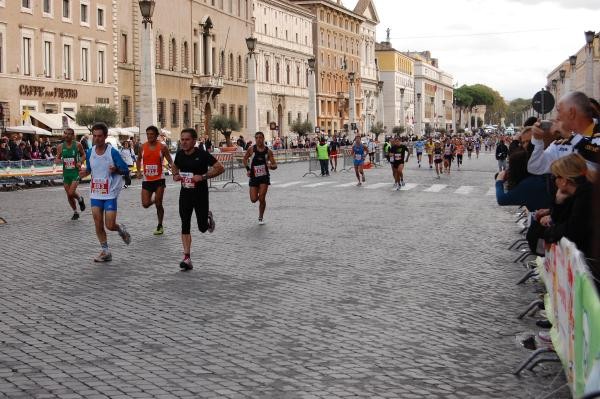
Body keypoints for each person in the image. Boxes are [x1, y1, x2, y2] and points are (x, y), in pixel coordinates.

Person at [172, 128, 224, 270]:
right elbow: (175, 166)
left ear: (194, 141)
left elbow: (220, 168)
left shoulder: (202, 154)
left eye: (187, 139)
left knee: (202, 228)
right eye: (182, 139)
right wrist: (175, 175)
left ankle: (208, 217)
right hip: (185, 194)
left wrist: (203, 177)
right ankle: (187, 258)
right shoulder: (180, 154)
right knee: (185, 224)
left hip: (200, 195)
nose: (184, 142)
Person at [79, 123, 131, 262]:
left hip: (110, 193)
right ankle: (105, 251)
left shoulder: (112, 152)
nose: (97, 139)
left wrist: (116, 169)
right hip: (96, 192)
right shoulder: (90, 152)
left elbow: (125, 170)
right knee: (98, 223)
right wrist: (84, 173)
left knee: (110, 225)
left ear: (105, 136)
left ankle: (120, 228)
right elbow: (90, 169)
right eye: (94, 136)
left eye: (100, 136)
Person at [535, 154, 594, 257]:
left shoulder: (586, 196)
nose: (553, 181)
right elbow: (559, 221)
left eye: (554, 177)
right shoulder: (578, 193)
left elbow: (572, 230)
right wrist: (558, 202)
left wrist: (549, 232)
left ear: (564, 180)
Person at [528, 92, 599, 176]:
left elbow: (595, 155)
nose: (557, 117)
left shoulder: (594, 135)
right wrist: (537, 140)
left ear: (571, 113)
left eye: (559, 111)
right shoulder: (561, 142)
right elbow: (535, 167)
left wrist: (570, 136)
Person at [136, 125, 174, 235]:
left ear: (156, 135)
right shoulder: (142, 147)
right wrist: (138, 171)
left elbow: (170, 160)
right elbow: (138, 160)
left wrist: (174, 170)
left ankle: (160, 225)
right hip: (147, 180)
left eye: (151, 134)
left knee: (158, 204)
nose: (149, 136)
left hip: (159, 179)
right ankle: (156, 200)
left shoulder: (162, 147)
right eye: (147, 134)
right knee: (145, 204)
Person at [243, 131, 278, 225]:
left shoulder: (268, 151)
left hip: (264, 177)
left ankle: (260, 217)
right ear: (255, 139)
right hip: (254, 177)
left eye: (260, 137)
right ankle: (261, 201)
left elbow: (275, 165)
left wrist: (270, 166)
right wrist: (248, 170)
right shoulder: (251, 149)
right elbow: (245, 159)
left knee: (262, 197)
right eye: (257, 137)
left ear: (263, 139)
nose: (259, 139)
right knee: (254, 199)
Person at [55, 129, 86, 220]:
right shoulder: (60, 146)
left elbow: (84, 155)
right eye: (65, 134)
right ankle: (75, 212)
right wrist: (58, 160)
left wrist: (80, 161)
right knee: (69, 195)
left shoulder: (77, 145)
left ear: (73, 136)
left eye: (69, 134)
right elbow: (57, 158)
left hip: (75, 172)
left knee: (71, 192)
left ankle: (80, 199)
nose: (67, 136)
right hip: (66, 173)